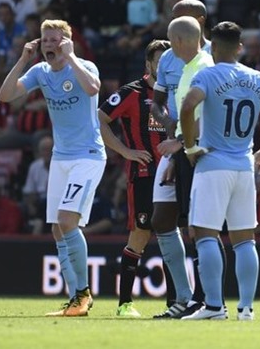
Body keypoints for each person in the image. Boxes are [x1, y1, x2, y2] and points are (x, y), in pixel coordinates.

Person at [178, 21, 260, 320]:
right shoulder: (256, 77)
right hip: (245, 166)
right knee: (245, 240)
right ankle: (246, 309)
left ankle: (215, 307)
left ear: (212, 47)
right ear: (240, 47)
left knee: (205, 235)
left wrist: (190, 147)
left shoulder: (207, 74)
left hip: (213, 164)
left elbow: (188, 107)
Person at [0, 19, 106, 317]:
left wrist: (71, 56)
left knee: (68, 220)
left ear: (67, 42)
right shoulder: (40, 72)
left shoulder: (83, 66)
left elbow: (93, 88)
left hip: (88, 155)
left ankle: (83, 294)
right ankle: (74, 298)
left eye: (55, 40)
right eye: (45, 40)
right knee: (58, 229)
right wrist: (22, 59)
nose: (49, 45)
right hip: (61, 157)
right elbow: (5, 96)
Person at [149, 0, 224, 319]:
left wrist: (182, 140)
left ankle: (206, 299)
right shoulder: (168, 58)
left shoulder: (214, 57)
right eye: (174, 20)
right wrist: (172, 130)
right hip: (178, 148)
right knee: (167, 221)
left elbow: (213, 111)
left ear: (200, 21)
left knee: (203, 227)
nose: (176, 28)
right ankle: (186, 297)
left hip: (204, 149)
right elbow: (157, 104)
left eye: (183, 20)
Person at [97, 39, 173, 318]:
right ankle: (125, 304)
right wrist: (125, 151)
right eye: (160, 61)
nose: (165, 66)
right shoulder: (133, 92)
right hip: (143, 176)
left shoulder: (177, 91)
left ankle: (175, 304)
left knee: (172, 238)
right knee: (140, 237)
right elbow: (100, 118)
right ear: (148, 64)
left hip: (173, 176)